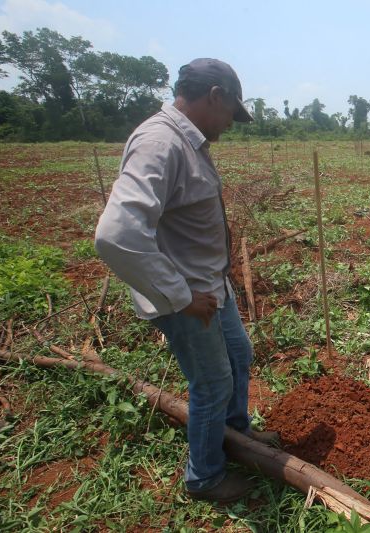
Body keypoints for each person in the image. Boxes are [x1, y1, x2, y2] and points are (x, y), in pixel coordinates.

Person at [95, 58, 276, 504]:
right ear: (215, 96)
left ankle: (235, 435)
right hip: (189, 297)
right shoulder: (161, 143)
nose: (231, 124)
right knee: (211, 383)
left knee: (239, 354)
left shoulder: (188, 142)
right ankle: (205, 478)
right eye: (231, 112)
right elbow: (116, 235)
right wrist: (180, 296)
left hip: (212, 286)